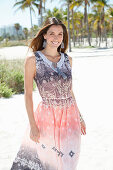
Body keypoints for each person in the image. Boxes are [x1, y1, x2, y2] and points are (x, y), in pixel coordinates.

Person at [10, 17, 86, 170]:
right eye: (52, 33)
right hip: (47, 117)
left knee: (68, 160)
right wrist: (32, 124)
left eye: (60, 34)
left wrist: (79, 116)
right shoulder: (33, 60)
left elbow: (70, 90)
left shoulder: (67, 59)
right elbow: (28, 95)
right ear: (44, 35)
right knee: (47, 160)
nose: (56, 38)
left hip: (70, 117)